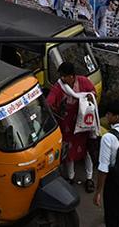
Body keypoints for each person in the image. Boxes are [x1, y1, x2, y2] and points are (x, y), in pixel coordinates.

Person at [46, 61, 97, 191]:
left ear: (72, 76)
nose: (62, 78)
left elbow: (93, 92)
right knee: (69, 151)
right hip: (68, 125)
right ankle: (71, 177)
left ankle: (89, 178)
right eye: (61, 76)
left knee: (87, 150)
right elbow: (50, 101)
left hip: (84, 123)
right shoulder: (59, 87)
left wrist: (90, 97)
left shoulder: (83, 81)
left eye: (65, 76)